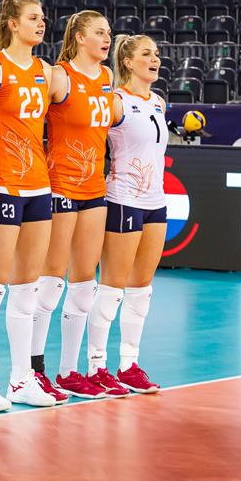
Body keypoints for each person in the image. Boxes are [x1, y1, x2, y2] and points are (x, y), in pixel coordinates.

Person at [0, 0, 60, 410]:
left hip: (39, 185)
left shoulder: (46, 71)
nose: (41, 24)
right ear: (12, 23)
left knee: (27, 289)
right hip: (1, 185)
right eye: (33, 17)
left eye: (43, 18)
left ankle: (21, 380)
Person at [43, 11, 124, 399]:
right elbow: (24, 120)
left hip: (94, 188)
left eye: (108, 32)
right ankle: (32, 371)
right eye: (98, 32)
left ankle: (68, 372)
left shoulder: (107, 77)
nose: (107, 38)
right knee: (50, 283)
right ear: (78, 37)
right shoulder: (59, 77)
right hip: (60, 185)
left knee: (84, 284)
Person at [90, 35, 166, 396]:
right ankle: (96, 367)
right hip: (123, 199)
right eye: (146, 54)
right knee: (112, 287)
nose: (155, 59)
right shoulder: (116, 102)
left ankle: (129, 366)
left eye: (157, 54)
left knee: (141, 288)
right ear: (128, 62)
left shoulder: (159, 102)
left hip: (156, 202)